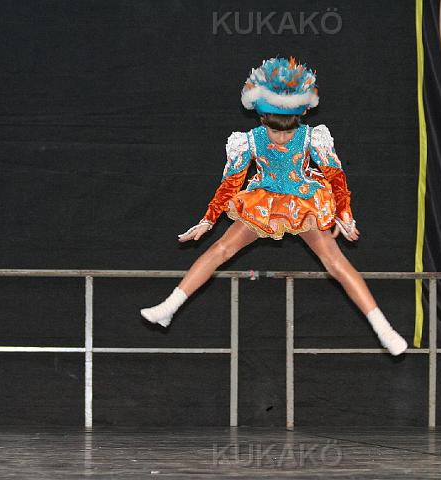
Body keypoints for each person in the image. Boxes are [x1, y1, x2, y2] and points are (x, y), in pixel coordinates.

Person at [140, 56, 407, 356]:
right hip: (264, 201)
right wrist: (207, 220)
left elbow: (336, 176)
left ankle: (384, 330)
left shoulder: (312, 137)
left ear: (300, 118)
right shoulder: (248, 141)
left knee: (335, 262)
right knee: (221, 249)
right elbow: (230, 184)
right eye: (275, 131)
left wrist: (345, 214)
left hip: (304, 201)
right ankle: (170, 307)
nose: (281, 138)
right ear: (262, 120)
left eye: (288, 132)